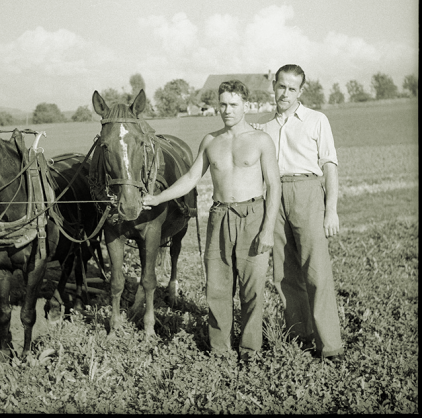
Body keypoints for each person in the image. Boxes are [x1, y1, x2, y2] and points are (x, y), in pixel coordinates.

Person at [142, 80, 281, 360]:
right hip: (219, 216)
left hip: (252, 215)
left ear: (245, 105)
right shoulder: (210, 140)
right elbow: (192, 178)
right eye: (223, 104)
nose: (227, 110)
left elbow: (274, 186)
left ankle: (250, 350)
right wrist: (159, 198)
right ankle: (220, 350)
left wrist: (267, 229)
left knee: (252, 288)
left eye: (233, 105)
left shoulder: (261, 140)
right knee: (217, 287)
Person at [254, 64, 344, 361]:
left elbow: (329, 165)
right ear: (274, 86)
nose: (285, 93)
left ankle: (329, 346)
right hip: (275, 197)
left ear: (300, 91)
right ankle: (301, 336)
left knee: (316, 271)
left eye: (292, 88)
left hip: (308, 194)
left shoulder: (317, 120)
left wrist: (331, 210)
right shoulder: (264, 129)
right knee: (284, 273)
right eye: (281, 86)